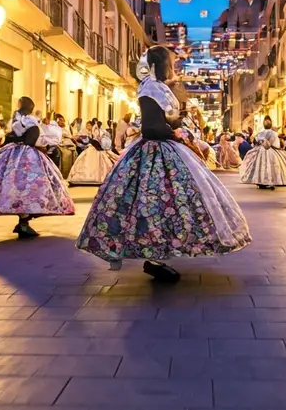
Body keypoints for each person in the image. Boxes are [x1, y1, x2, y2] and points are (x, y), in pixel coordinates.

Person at [77, 47, 251, 283]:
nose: (174, 66)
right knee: (157, 202)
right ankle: (157, 255)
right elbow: (151, 128)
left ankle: (162, 254)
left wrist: (176, 123)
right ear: (160, 64)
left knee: (167, 203)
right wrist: (175, 133)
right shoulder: (150, 88)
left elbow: (161, 119)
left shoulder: (158, 88)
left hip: (164, 149)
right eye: (171, 62)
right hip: (155, 152)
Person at [0, 96, 75, 239]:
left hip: (13, 154)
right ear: (31, 108)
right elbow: (30, 140)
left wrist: (13, 138)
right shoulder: (30, 123)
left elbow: (12, 138)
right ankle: (24, 221)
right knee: (30, 189)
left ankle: (23, 220)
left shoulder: (18, 122)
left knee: (16, 187)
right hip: (29, 158)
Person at [240, 117, 286, 190]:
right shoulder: (273, 133)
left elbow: (257, 143)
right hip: (270, 150)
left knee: (261, 166)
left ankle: (260, 181)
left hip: (261, 150)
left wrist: (261, 142)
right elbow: (269, 145)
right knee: (272, 166)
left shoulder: (260, 133)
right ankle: (270, 181)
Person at [67, 119, 119, 186]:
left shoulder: (96, 131)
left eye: (88, 125)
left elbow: (93, 140)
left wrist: (82, 139)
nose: (87, 127)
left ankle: (95, 177)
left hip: (96, 150)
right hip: (94, 148)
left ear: (92, 125)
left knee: (95, 163)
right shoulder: (94, 131)